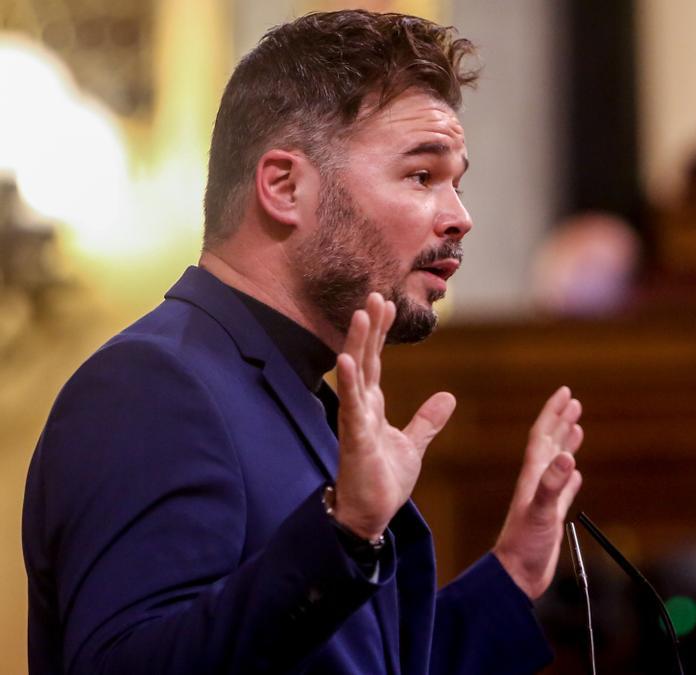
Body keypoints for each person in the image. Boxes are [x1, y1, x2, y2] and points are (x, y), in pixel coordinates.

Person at [22, 10, 584, 675]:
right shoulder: (152, 386)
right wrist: (343, 530)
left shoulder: (298, 397)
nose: (460, 216)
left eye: (455, 182)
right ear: (285, 186)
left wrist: (513, 573)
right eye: (421, 175)